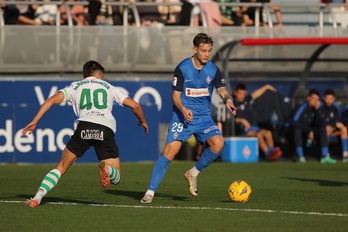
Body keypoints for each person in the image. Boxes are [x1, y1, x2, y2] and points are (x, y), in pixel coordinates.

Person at [22, 60, 149, 207]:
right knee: (116, 178)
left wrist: (35, 121)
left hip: (84, 127)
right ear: (99, 74)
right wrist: (143, 121)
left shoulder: (74, 87)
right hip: (105, 128)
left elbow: (51, 100)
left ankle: (37, 197)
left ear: (85, 74)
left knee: (61, 167)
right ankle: (107, 169)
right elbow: (135, 105)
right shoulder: (109, 87)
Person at [140, 33, 237, 203]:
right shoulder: (183, 68)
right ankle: (150, 192)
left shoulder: (213, 69)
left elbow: (222, 90)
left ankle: (193, 172)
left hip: (204, 118)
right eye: (203, 50)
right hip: (182, 117)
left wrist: (228, 100)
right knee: (170, 152)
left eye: (209, 51)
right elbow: (175, 96)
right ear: (195, 50)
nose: (207, 54)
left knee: (218, 143)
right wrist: (183, 109)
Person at [232, 83, 282, 162]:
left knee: (268, 133)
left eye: (244, 94)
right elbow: (229, 118)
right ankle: (268, 155)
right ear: (235, 93)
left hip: (253, 127)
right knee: (258, 135)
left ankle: (272, 152)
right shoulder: (232, 103)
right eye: (240, 93)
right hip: (243, 130)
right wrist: (241, 120)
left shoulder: (247, 100)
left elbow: (256, 94)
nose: (242, 96)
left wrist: (267, 87)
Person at [291, 89, 336, 163]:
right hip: (303, 130)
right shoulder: (302, 107)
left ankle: (325, 156)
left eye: (317, 99)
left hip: (312, 131)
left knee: (322, 129)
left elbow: (321, 122)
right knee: (297, 130)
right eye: (313, 98)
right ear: (308, 98)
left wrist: (317, 110)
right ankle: (300, 156)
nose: (315, 101)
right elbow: (294, 122)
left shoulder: (318, 108)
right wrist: (309, 130)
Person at [320, 89, 348, 162]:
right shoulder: (320, 107)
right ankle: (325, 155)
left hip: (333, 130)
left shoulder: (335, 107)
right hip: (322, 131)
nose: (329, 101)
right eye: (327, 99)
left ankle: (345, 156)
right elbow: (319, 121)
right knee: (326, 128)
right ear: (324, 98)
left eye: (331, 99)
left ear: (334, 99)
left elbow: (337, 120)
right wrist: (329, 125)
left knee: (344, 129)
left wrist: (334, 125)